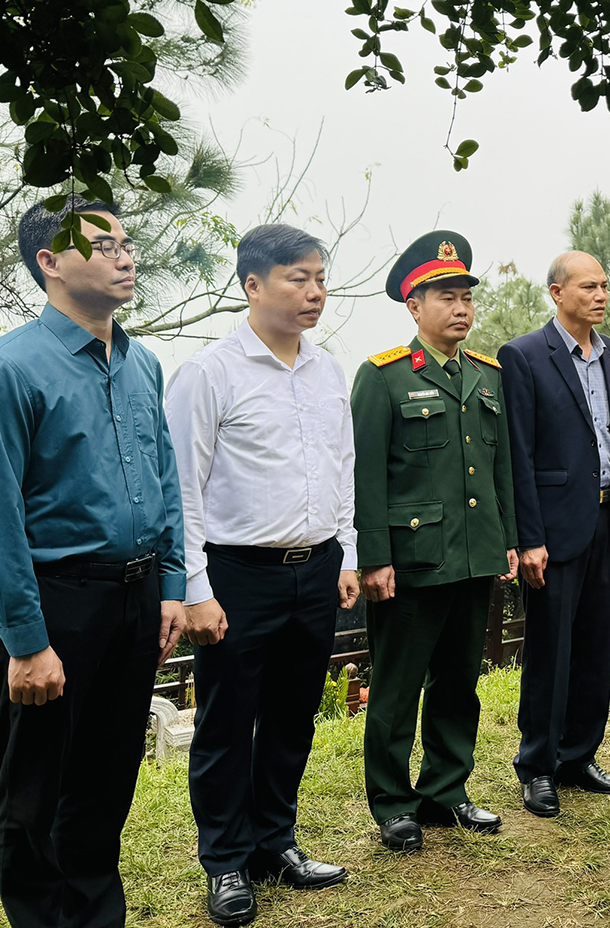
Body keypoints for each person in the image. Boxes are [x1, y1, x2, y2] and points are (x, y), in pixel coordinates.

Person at [0, 197, 188, 928]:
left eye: (127, 242)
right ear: (49, 263)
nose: (126, 255)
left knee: (104, 784)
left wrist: (173, 585)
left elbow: (165, 479)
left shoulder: (141, 362)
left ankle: (96, 917)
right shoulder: (5, 371)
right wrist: (26, 643)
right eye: (103, 244)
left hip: (134, 599)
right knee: (38, 796)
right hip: (52, 604)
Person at [164, 224, 361, 925]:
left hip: (316, 567)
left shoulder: (327, 368)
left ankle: (275, 841)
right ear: (253, 284)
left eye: (318, 278)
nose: (315, 291)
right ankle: (224, 861)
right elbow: (182, 488)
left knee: (291, 715)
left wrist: (351, 553)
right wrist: (194, 589)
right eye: (297, 278)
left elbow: (343, 469)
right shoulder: (210, 372)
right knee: (227, 721)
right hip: (236, 575)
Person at [351, 230, 519, 853]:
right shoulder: (384, 378)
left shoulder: (488, 376)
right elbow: (365, 475)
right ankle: (393, 803)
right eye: (445, 295)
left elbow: (499, 469)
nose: (461, 308)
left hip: (475, 555)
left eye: (465, 295)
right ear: (413, 305)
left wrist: (508, 540)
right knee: (396, 687)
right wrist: (374, 558)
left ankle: (446, 791)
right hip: (413, 560)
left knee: (458, 683)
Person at [498, 251, 610, 820]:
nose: (600, 295)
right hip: (554, 529)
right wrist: (528, 537)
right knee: (551, 649)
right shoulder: (525, 355)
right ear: (557, 293)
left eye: (604, 285)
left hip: (606, 519)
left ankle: (579, 756)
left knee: (596, 645)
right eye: (588, 286)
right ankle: (537, 766)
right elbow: (519, 453)